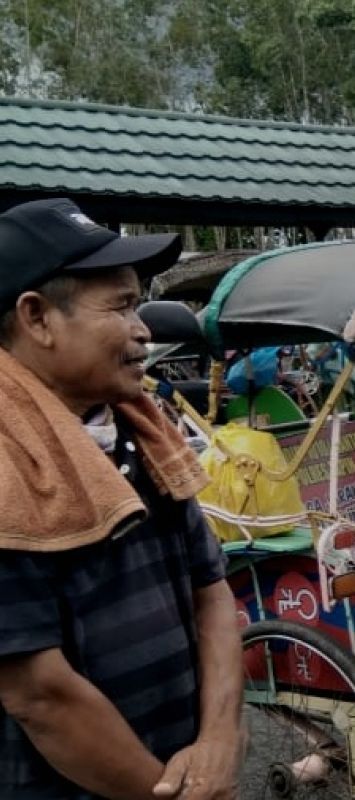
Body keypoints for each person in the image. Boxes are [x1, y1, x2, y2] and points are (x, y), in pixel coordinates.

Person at [0, 198, 242, 799]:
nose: (144, 330)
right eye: (122, 305)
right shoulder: (8, 466)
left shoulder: (141, 431)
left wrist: (218, 742)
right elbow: (39, 693)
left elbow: (212, 594)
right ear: (37, 319)